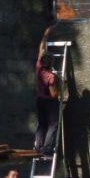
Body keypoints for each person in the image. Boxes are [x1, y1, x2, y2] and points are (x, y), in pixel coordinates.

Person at [36, 25, 60, 156]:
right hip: (49, 102)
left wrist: (45, 35)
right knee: (52, 125)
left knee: (41, 124)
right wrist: (61, 84)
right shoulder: (51, 77)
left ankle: (38, 146)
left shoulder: (39, 67)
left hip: (39, 100)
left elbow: (41, 49)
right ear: (51, 63)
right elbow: (53, 94)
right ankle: (46, 148)